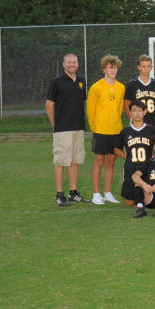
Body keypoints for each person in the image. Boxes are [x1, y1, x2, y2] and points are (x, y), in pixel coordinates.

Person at [45, 53, 89, 207]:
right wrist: (55, 125)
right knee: (61, 161)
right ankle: (59, 195)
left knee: (76, 161)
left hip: (78, 128)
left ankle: (73, 193)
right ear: (63, 64)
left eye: (74, 62)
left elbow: (82, 103)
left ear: (78, 64)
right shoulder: (56, 82)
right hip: (62, 129)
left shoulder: (82, 81)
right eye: (69, 62)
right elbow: (49, 104)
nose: (72, 64)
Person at [87, 54, 126, 205]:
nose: (113, 70)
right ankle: (96, 194)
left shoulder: (121, 87)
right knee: (98, 161)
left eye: (115, 67)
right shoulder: (96, 87)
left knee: (111, 162)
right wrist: (94, 127)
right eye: (110, 67)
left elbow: (121, 109)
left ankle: (108, 193)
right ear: (104, 69)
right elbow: (90, 110)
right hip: (101, 131)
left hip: (116, 131)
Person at [115, 101, 155, 206]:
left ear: (145, 112)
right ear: (129, 112)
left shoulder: (151, 129)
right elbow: (116, 149)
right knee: (129, 202)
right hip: (131, 169)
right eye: (134, 111)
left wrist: (154, 158)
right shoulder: (125, 131)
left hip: (147, 169)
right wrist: (127, 157)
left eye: (140, 111)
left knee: (149, 200)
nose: (137, 114)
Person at [123, 55, 155, 130]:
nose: (146, 69)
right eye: (143, 66)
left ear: (152, 67)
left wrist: (150, 115)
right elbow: (126, 106)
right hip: (136, 124)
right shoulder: (131, 85)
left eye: (148, 66)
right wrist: (133, 119)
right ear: (139, 67)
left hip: (152, 124)